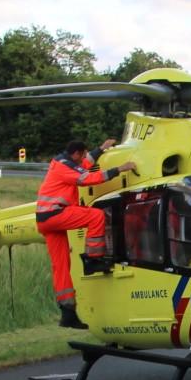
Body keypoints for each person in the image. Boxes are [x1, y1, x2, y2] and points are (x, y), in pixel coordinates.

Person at [36, 138, 136, 328]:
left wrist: (101, 149)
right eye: (83, 154)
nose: (84, 158)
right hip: (56, 214)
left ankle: (68, 313)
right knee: (96, 216)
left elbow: (85, 164)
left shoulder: (64, 162)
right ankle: (93, 259)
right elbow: (87, 178)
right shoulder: (65, 168)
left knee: (61, 265)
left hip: (45, 220)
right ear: (76, 153)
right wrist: (120, 169)